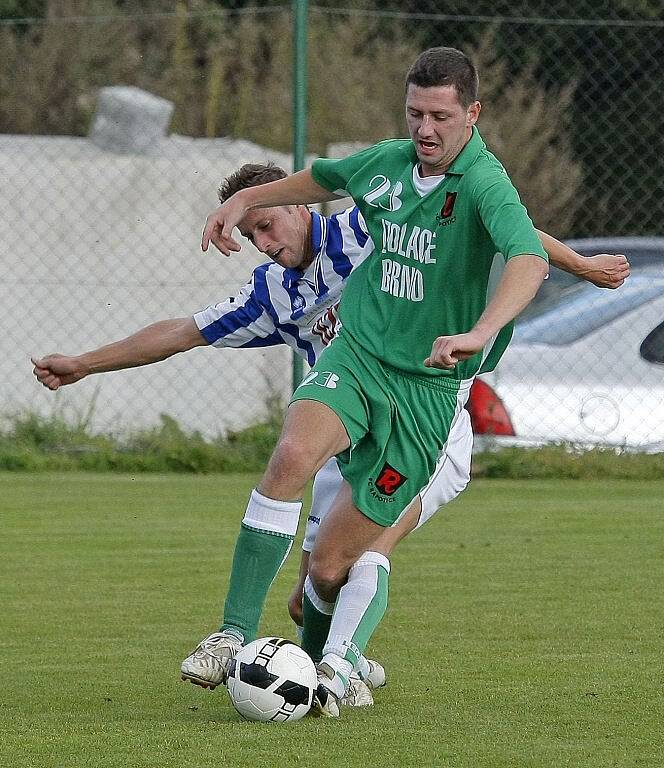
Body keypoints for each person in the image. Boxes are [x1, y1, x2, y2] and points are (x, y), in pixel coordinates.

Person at [32, 161, 629, 709]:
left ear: (300, 205)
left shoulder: (366, 223)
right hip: (346, 426)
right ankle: (309, 655)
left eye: (268, 225)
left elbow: (498, 226)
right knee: (311, 586)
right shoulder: (272, 293)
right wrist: (85, 363)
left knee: (365, 551)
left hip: (428, 415)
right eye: (254, 238)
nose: (266, 245)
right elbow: (181, 331)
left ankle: (337, 669)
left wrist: (583, 265)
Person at [195, 47, 627, 717]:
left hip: (426, 394)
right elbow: (322, 178)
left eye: (440, 117)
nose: (425, 129)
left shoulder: (485, 184)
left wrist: (481, 332)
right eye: (415, 113)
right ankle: (233, 633)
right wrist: (250, 197)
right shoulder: (391, 163)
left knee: (331, 566)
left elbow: (524, 257)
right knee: (290, 455)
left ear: (472, 115)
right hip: (360, 356)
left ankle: (326, 670)